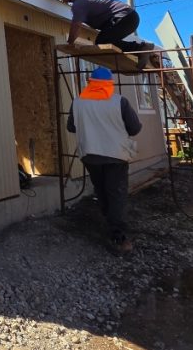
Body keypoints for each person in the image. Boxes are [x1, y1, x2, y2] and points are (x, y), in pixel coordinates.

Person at [67, 66, 142, 253]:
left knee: (101, 190)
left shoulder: (78, 102)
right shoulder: (119, 102)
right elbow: (134, 128)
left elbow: (71, 127)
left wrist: (91, 126)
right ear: (110, 83)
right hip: (115, 155)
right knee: (116, 193)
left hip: (90, 154)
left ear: (90, 83)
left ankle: (111, 222)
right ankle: (119, 236)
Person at [58, 0, 154, 59]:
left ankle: (142, 48)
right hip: (129, 17)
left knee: (102, 41)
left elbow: (76, 27)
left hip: (124, 18)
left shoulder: (79, 5)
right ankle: (143, 52)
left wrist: (70, 43)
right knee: (108, 39)